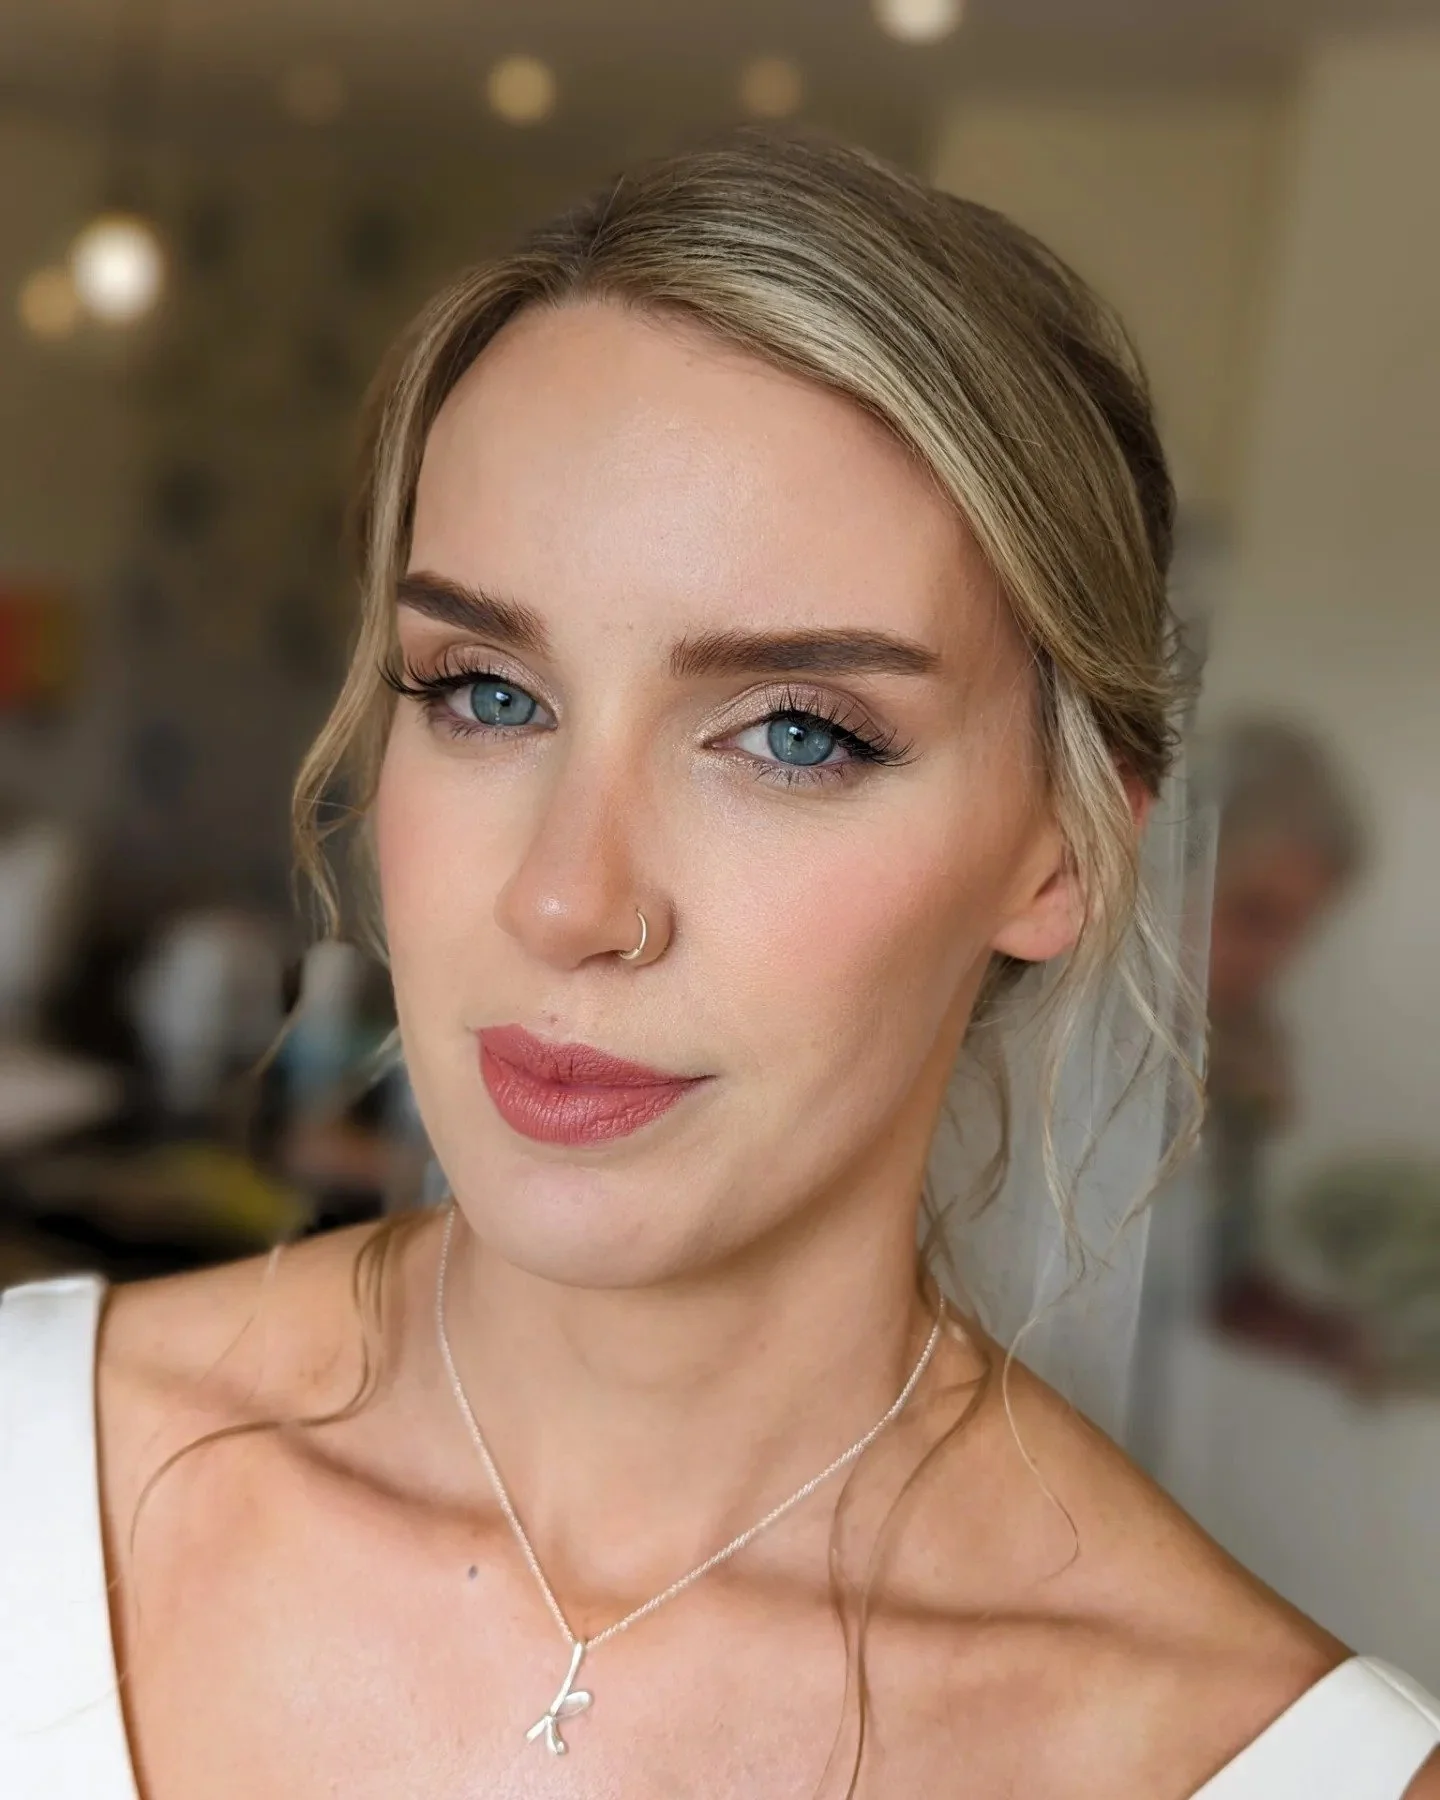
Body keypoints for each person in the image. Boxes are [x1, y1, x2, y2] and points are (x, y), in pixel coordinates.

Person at [2, 133, 1435, 1798]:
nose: (568, 900)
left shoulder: (1280, 1767)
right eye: (485, 692)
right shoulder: (31, 1481)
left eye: (793, 734)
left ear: (1059, 849)